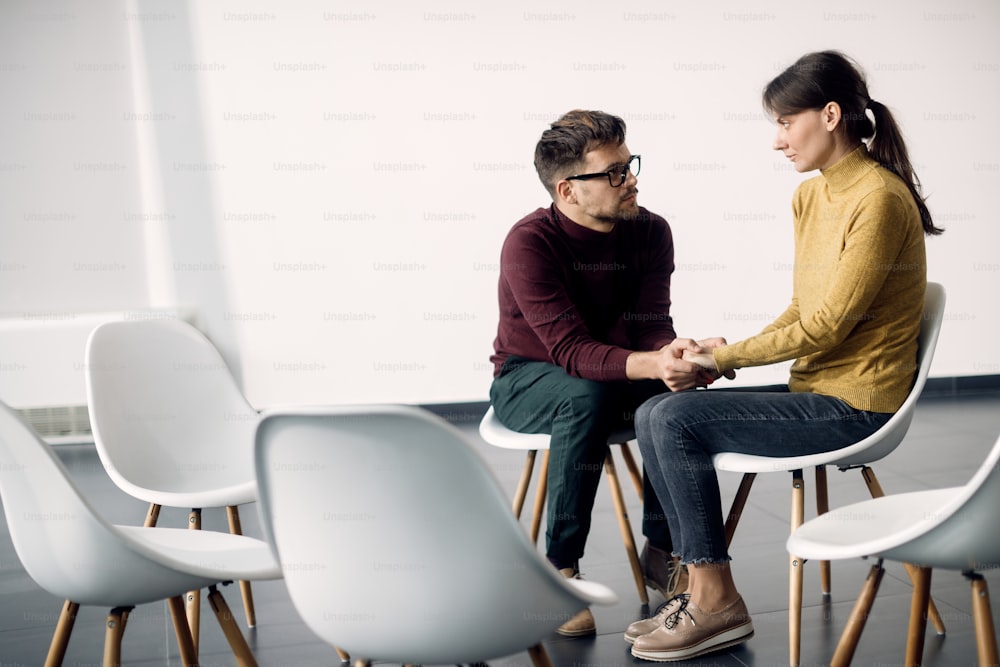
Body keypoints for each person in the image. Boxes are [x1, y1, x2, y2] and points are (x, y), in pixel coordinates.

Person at [626, 50, 944, 662]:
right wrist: (726, 353)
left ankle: (716, 601)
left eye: (783, 122)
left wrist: (721, 363)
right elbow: (803, 311)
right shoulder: (811, 198)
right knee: (652, 411)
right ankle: (698, 586)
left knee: (672, 418)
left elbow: (825, 327)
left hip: (858, 407)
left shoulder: (878, 199)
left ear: (829, 115)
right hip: (815, 393)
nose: (777, 141)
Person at [489, 109, 720, 637]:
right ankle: (560, 571)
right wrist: (652, 364)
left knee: (672, 401)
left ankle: (664, 551)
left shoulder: (650, 231)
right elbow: (570, 352)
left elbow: (650, 328)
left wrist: (676, 356)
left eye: (629, 164)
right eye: (614, 172)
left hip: (608, 370)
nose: (631, 178)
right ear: (568, 190)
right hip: (528, 377)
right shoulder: (529, 243)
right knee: (587, 396)